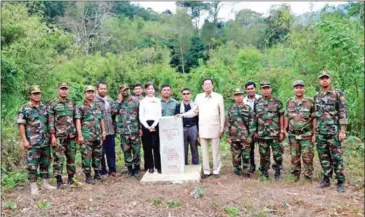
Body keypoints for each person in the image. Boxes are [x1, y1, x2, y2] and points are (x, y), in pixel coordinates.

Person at [177, 77, 225, 178]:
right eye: (205, 84)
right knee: (204, 151)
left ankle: (216, 170)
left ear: (213, 85)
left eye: (209, 84)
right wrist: (183, 115)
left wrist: (222, 128)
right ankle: (207, 171)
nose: (207, 86)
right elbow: (194, 111)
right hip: (203, 128)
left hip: (215, 127)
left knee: (215, 150)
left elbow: (222, 114)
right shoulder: (199, 97)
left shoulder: (218, 97)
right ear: (203, 86)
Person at [17, 85, 56, 195]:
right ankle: (33, 186)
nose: (37, 95)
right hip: (32, 142)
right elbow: (21, 125)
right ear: (30, 95)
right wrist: (24, 140)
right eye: (34, 93)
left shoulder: (45, 107)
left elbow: (50, 123)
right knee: (32, 165)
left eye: (38, 93)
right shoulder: (24, 108)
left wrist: (52, 137)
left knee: (46, 162)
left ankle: (45, 183)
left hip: (45, 141)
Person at [314, 70, 348, 193]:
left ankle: (340, 181)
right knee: (324, 157)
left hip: (334, 132)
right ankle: (326, 178)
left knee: (337, 158)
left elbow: (343, 112)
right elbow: (316, 115)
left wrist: (342, 131)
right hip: (320, 132)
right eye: (322, 78)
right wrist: (315, 132)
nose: (324, 80)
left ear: (330, 79)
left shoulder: (338, 94)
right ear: (319, 81)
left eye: (326, 78)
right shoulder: (317, 96)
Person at [284, 80, 316, 182]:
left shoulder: (310, 101)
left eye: (301, 87)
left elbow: (314, 118)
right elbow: (286, 117)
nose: (299, 89)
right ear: (294, 89)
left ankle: (308, 176)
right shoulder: (289, 102)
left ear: (304, 88)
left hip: (306, 134)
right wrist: (284, 130)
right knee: (294, 156)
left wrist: (315, 133)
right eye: (296, 87)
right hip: (293, 135)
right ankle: (295, 175)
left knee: (307, 156)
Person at [48, 82, 77, 188]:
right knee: (58, 158)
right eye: (62, 89)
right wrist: (52, 136)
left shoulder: (71, 103)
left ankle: (71, 178)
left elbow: (75, 119)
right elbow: (50, 121)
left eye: (66, 89)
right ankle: (59, 180)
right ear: (58, 90)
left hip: (71, 135)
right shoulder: (53, 103)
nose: (64, 91)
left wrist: (77, 134)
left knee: (71, 157)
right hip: (59, 136)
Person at [75, 85, 106, 184]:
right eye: (88, 92)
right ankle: (88, 176)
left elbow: (101, 119)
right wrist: (79, 135)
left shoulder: (97, 105)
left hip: (97, 135)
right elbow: (78, 121)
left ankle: (97, 173)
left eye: (92, 92)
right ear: (85, 94)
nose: (91, 94)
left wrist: (103, 131)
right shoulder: (80, 106)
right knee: (86, 157)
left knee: (98, 155)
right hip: (86, 136)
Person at [255, 81, 285, 181]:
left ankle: (277, 172)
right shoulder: (257, 102)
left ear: (271, 89)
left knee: (277, 154)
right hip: (262, 134)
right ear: (261, 90)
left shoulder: (277, 102)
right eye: (264, 88)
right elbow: (255, 118)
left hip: (275, 134)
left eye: (268, 88)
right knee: (264, 154)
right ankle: (264, 172)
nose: (266, 90)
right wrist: (255, 131)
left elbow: (282, 116)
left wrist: (282, 131)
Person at [225, 88, 255, 177]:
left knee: (246, 155)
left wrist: (250, 136)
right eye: (236, 95)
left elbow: (252, 123)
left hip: (245, 137)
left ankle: (246, 170)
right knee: (235, 155)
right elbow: (227, 123)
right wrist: (227, 136)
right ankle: (237, 168)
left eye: (240, 95)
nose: (238, 97)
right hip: (234, 136)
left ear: (243, 96)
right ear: (234, 97)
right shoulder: (231, 108)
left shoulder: (248, 108)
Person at [115, 84, 142, 177]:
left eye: (127, 89)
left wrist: (140, 128)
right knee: (126, 151)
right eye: (123, 90)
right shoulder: (119, 102)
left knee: (137, 150)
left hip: (134, 130)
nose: (125, 91)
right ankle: (130, 169)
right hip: (124, 132)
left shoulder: (136, 100)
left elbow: (140, 116)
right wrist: (118, 101)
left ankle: (137, 169)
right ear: (120, 92)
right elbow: (114, 112)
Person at [139, 82, 162, 174]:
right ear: (145, 90)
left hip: (156, 123)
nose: (150, 90)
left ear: (154, 90)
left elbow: (159, 114)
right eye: (148, 89)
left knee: (156, 146)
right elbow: (141, 116)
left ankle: (158, 166)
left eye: (152, 88)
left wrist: (154, 125)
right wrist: (147, 126)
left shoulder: (157, 100)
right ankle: (150, 166)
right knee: (147, 147)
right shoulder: (142, 101)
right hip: (146, 125)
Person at [94, 82, 116, 177]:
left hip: (110, 129)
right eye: (101, 88)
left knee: (111, 150)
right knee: (101, 151)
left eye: (105, 88)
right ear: (97, 89)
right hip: (100, 131)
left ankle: (112, 169)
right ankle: (103, 170)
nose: (103, 90)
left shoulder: (110, 100)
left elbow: (114, 113)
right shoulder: (94, 101)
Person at [244, 81, 261, 173]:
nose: (250, 90)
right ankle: (251, 166)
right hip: (248, 129)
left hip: (261, 128)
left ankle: (263, 168)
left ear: (255, 89)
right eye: (248, 89)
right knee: (249, 149)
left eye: (252, 88)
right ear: (246, 90)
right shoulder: (243, 101)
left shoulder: (260, 99)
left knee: (263, 149)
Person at [180, 88, 199, 165]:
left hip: (193, 128)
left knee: (194, 147)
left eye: (188, 93)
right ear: (182, 95)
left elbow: (198, 118)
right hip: (182, 128)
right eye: (184, 94)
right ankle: (184, 165)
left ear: (190, 95)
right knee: (184, 148)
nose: (186, 95)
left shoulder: (195, 106)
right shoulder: (179, 106)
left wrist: (198, 130)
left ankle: (195, 165)